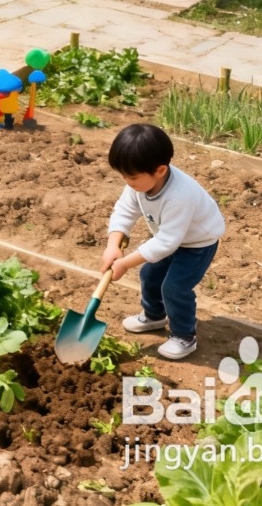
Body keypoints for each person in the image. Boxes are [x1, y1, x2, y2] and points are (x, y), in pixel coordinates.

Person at [99, 123, 225, 360]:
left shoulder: (179, 196)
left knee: (175, 287)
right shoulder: (138, 182)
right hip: (172, 236)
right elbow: (125, 211)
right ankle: (155, 316)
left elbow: (167, 242)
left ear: (160, 170)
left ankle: (184, 336)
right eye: (124, 176)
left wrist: (125, 263)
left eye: (132, 177)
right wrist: (113, 245)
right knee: (150, 274)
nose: (128, 182)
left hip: (198, 243)